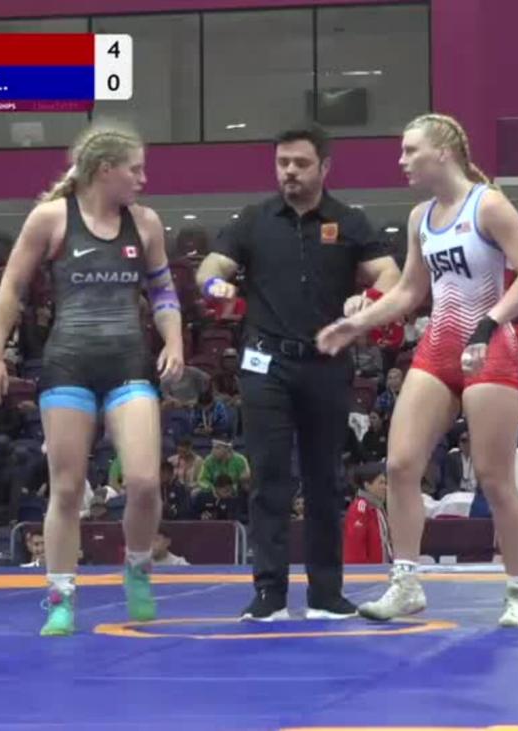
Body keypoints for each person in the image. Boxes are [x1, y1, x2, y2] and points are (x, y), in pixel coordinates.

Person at [317, 112, 518, 628]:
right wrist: (355, 324)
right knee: (399, 466)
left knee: (494, 478)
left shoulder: (487, 205)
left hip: (489, 347)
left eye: (410, 150)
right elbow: (409, 291)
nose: (401, 160)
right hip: (438, 350)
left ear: (442, 152)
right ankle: (406, 584)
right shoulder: (420, 216)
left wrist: (488, 326)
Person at [0, 125, 183, 637]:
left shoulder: (146, 223)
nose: (143, 178)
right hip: (68, 363)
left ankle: (137, 566)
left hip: (128, 363)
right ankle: (61, 597)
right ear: (105, 170)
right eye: (135, 169)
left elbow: (163, 291)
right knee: (68, 489)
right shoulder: (51, 218)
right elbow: (11, 289)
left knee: (144, 482)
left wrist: (174, 341)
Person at [196, 125, 400, 622]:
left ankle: (326, 594)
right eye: (282, 162)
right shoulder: (254, 219)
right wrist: (216, 287)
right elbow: (209, 268)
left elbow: (391, 275)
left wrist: (368, 300)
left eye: (301, 163)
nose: (289, 171)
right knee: (268, 476)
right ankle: (268, 594)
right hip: (265, 362)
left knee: (325, 478)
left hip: (327, 362)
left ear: (324, 167)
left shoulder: (349, 221)